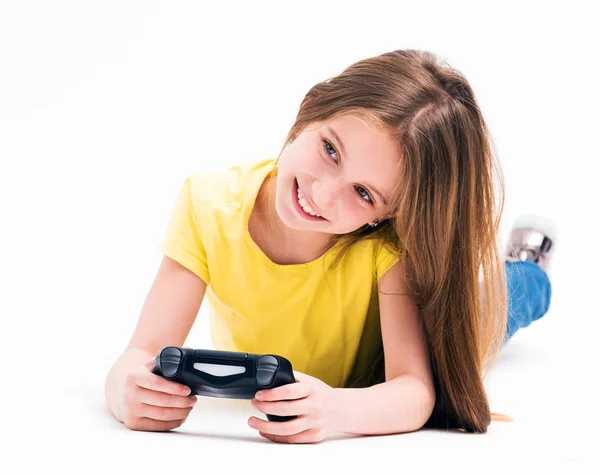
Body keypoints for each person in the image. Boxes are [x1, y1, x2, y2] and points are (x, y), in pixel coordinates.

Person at [104, 49, 557, 443]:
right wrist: (128, 391)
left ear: (387, 215)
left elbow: (415, 391)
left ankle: (528, 267)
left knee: (494, 306)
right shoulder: (206, 206)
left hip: (393, 355)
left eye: (363, 193)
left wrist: (336, 409)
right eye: (331, 150)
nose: (321, 195)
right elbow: (139, 354)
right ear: (311, 107)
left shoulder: (387, 251)